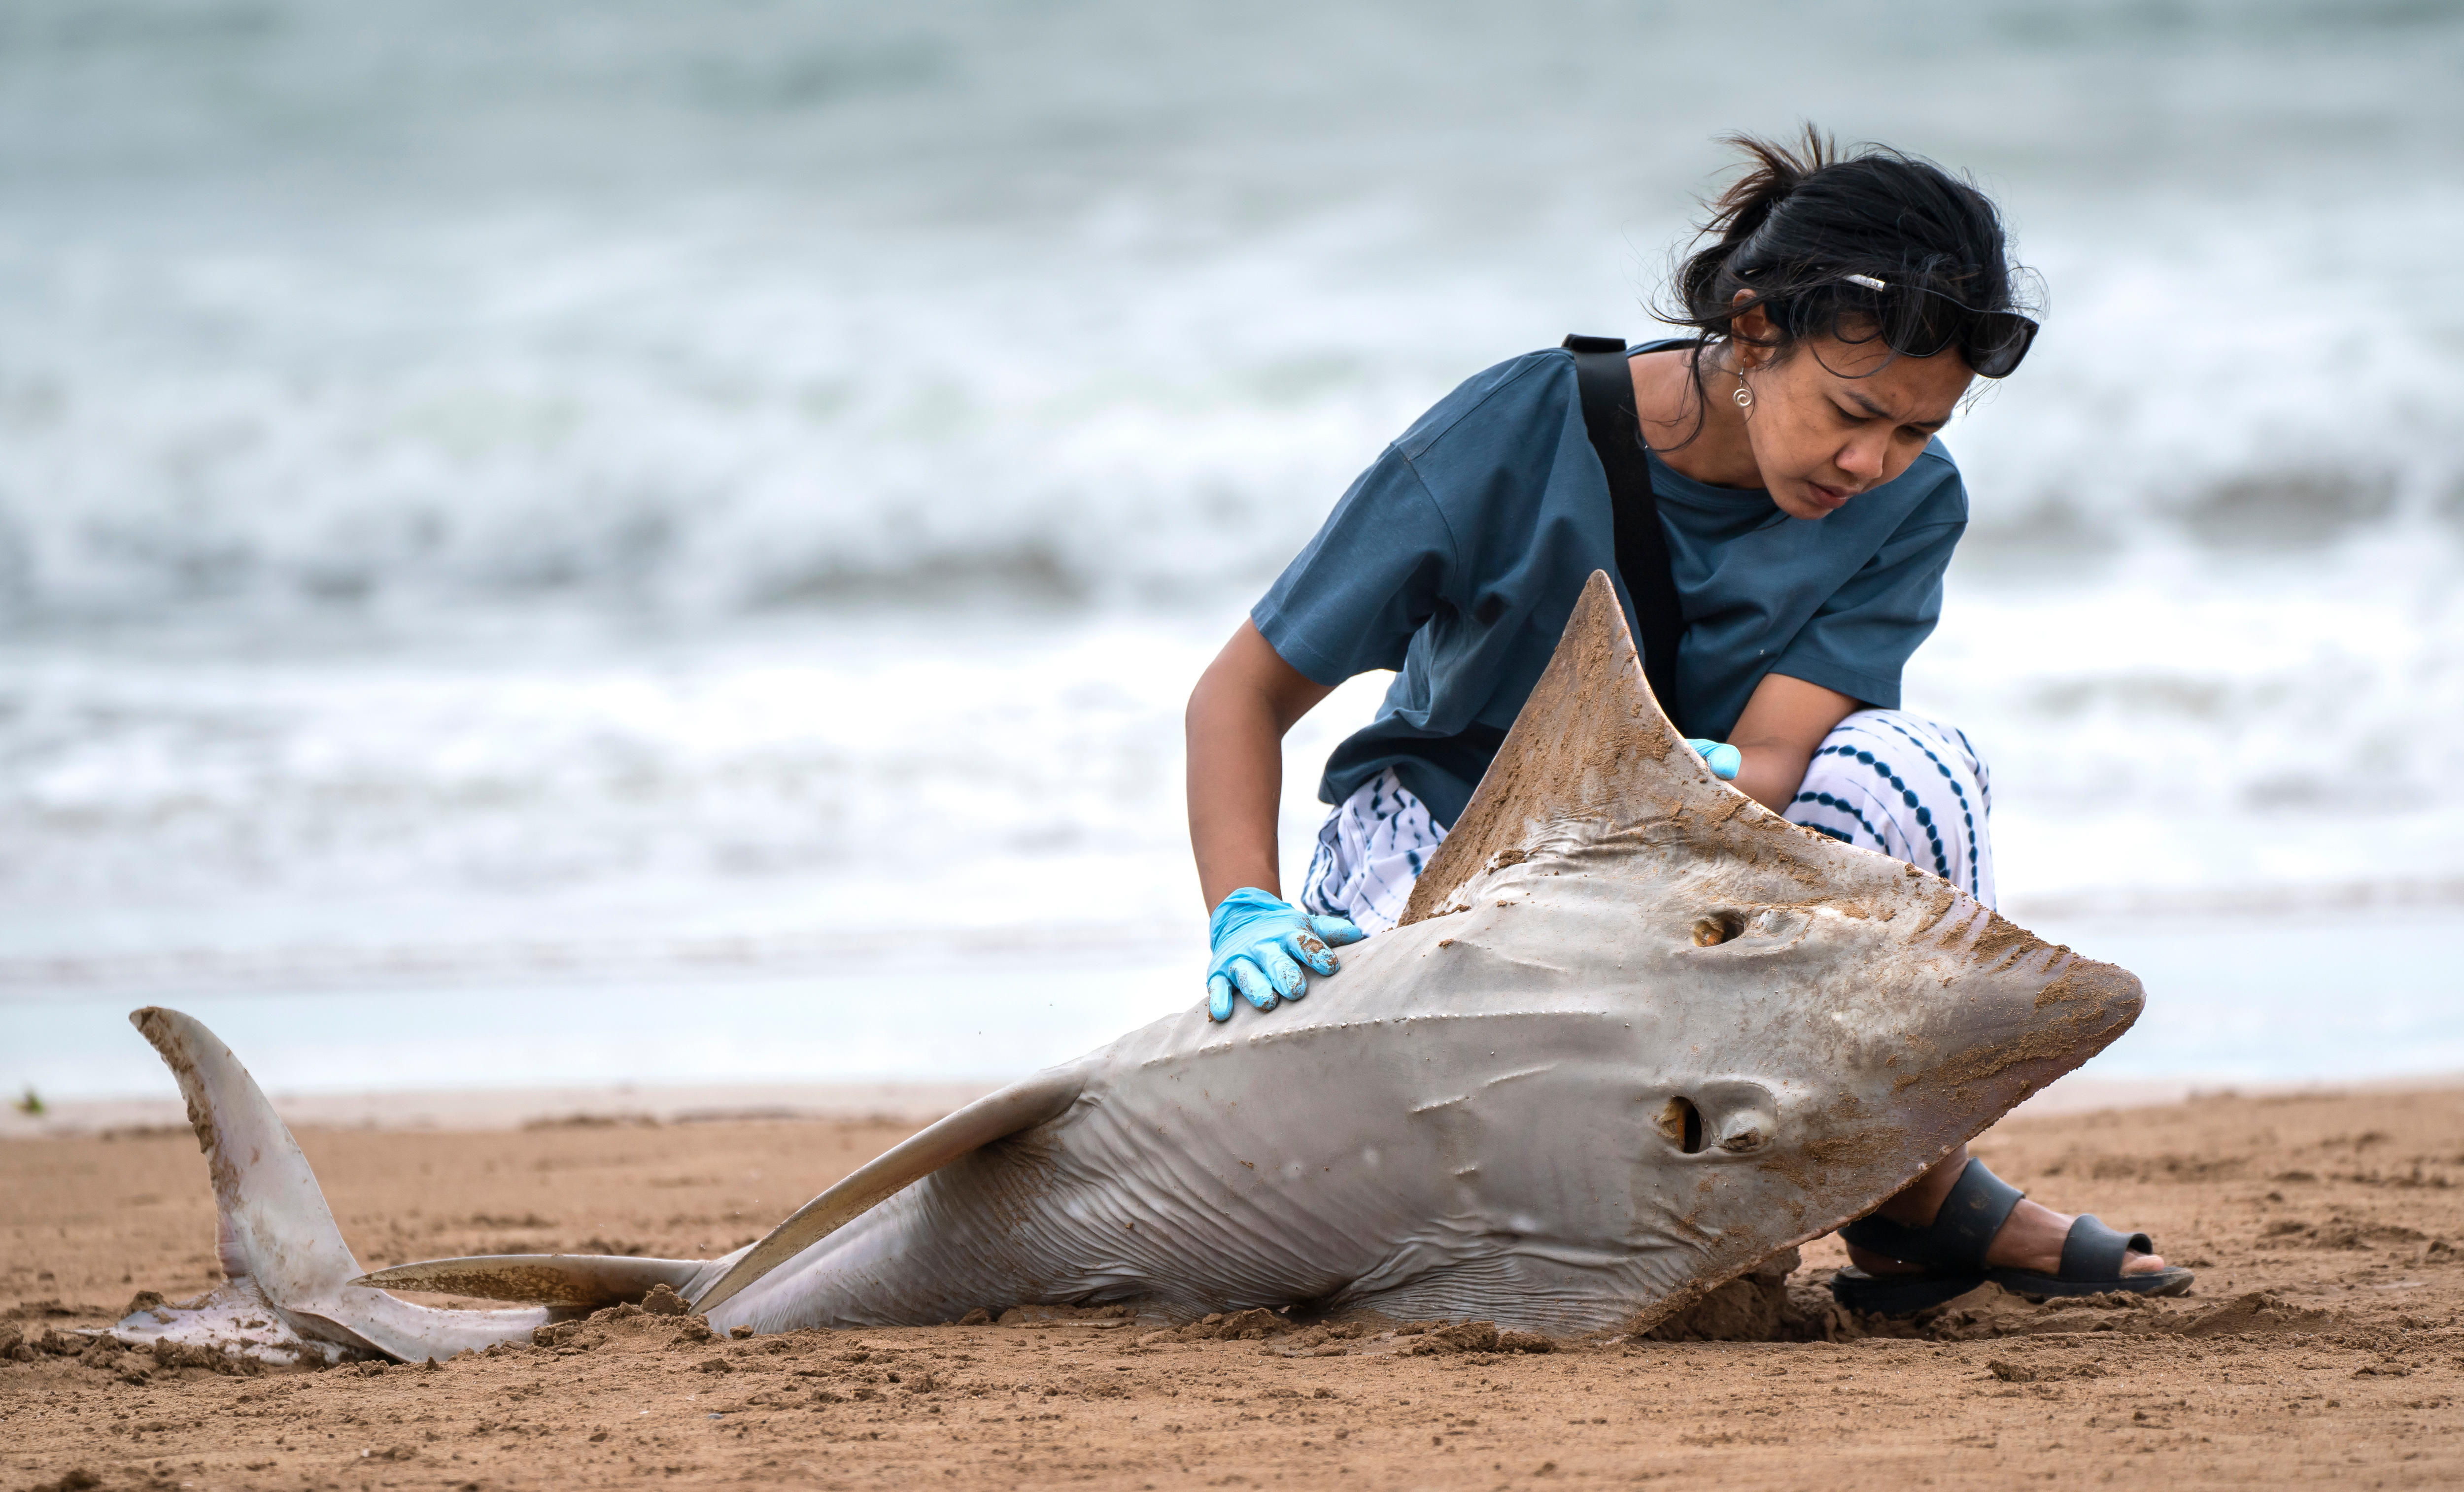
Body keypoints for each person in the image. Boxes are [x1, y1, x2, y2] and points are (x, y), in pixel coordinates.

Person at [1181, 130, 2190, 1315]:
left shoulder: (1908, 504)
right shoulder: (1516, 428)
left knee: (1911, 767)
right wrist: (1240, 912)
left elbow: (1778, 764)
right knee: (1435, 1172)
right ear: (1754, 332)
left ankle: (1909, 1190)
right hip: (1448, 853)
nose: (1873, 460)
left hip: (1685, 874)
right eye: (1852, 411)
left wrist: (1667, 787)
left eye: (1919, 430)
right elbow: (1238, 694)